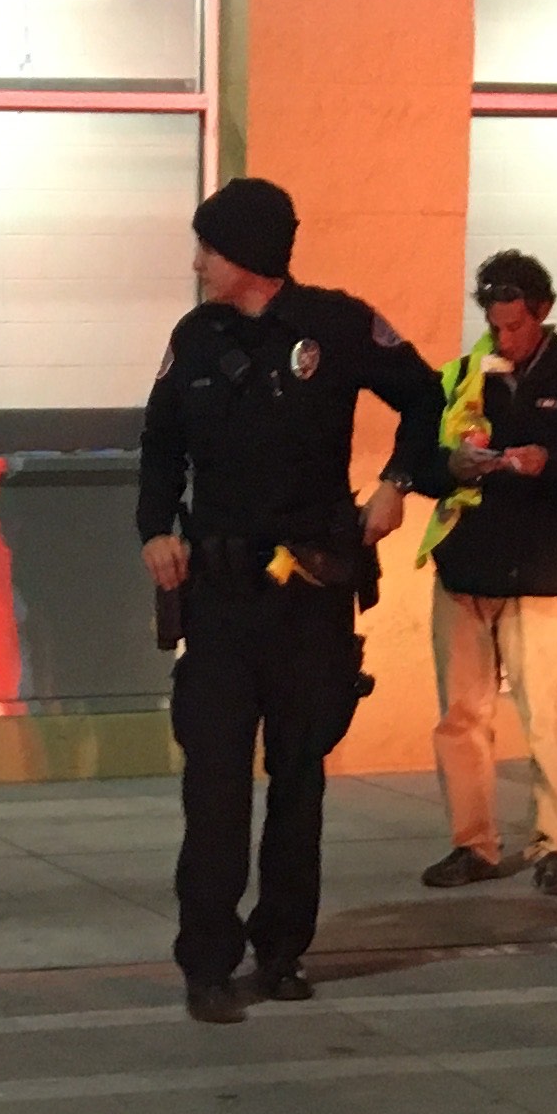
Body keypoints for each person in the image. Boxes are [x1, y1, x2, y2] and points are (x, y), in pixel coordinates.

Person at [137, 175, 438, 1024]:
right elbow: (159, 446)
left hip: (310, 595)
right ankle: (206, 961)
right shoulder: (195, 340)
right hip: (223, 603)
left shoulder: (337, 327)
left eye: (209, 248)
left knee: (299, 784)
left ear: (252, 257)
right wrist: (154, 528)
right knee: (217, 788)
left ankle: (281, 952)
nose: (197, 263)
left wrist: (398, 484)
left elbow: (425, 397)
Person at [406, 248, 557, 898]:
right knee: (461, 716)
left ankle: (555, 842)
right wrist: (450, 467)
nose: (504, 337)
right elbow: (417, 464)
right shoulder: (460, 378)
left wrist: (552, 462)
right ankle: (472, 843)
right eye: (495, 323)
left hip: (541, 572)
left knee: (546, 715)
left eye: (516, 325)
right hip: (464, 571)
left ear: (542, 312)